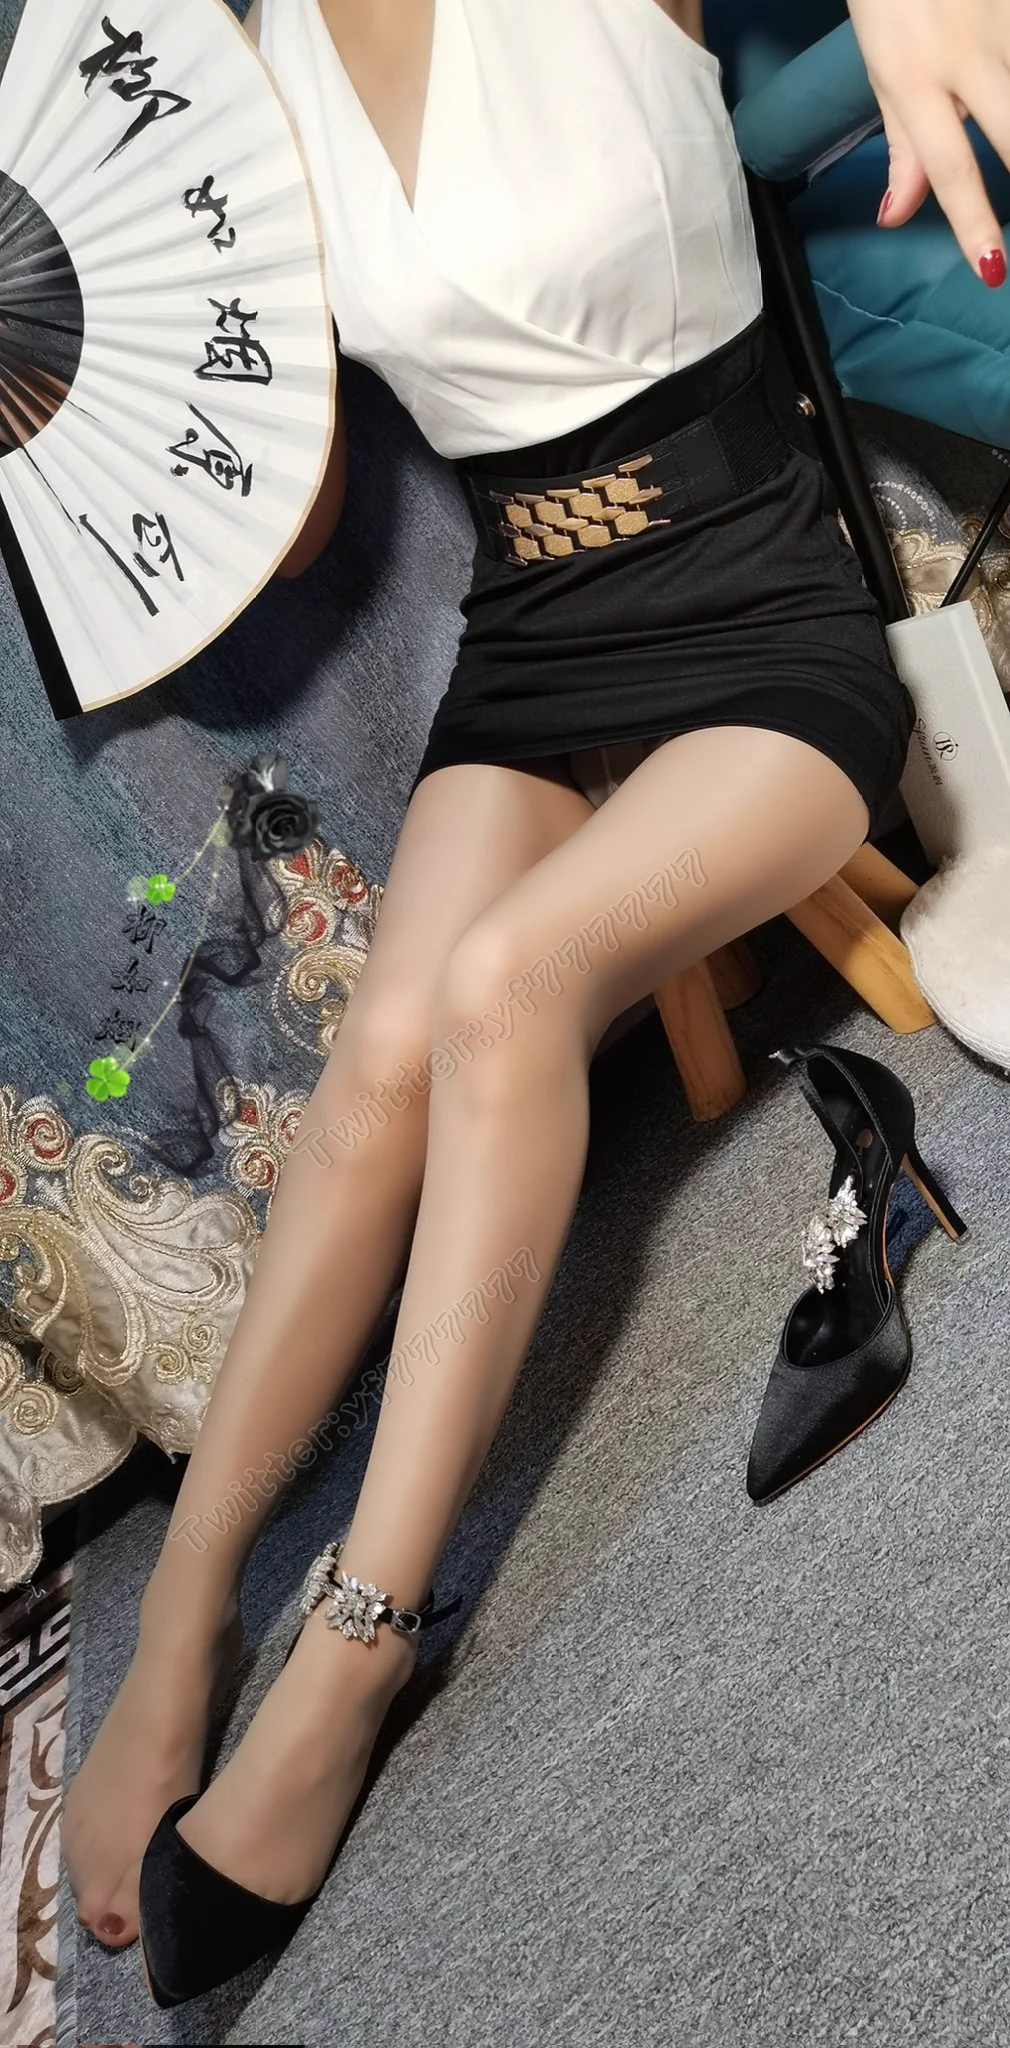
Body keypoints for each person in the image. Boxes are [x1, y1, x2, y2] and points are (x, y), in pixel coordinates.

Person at [62, 0, 1007, 2003]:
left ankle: (361, 1644)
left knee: (504, 989)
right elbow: (305, 517)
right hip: (533, 630)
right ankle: (184, 1621)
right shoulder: (254, 69)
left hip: (756, 601)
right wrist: (121, 375)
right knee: (374, 1075)